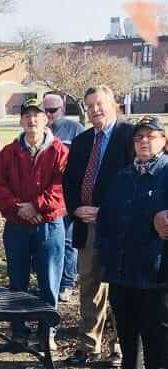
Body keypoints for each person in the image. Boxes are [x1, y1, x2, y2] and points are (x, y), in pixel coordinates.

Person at [64, 85, 134, 367]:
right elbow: (69, 181)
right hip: (87, 225)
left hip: (120, 228)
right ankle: (88, 346)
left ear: (114, 104)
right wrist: (76, 208)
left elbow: (134, 182)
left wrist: (105, 212)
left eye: (100, 103)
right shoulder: (82, 141)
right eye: (90, 105)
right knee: (90, 287)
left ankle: (118, 346)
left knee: (118, 287)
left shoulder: (129, 137)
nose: (95, 109)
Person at [0, 98, 68, 350]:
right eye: (27, 116)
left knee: (49, 282)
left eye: (37, 115)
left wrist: (36, 206)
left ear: (46, 119)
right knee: (17, 282)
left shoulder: (60, 151)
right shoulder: (9, 152)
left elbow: (61, 186)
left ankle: (47, 333)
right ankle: (19, 330)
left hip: (49, 226)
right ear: (21, 120)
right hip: (17, 226)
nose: (32, 120)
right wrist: (18, 209)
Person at [99, 116, 168, 369]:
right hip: (121, 274)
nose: (144, 141)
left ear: (163, 141)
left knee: (157, 342)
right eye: (139, 137)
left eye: (151, 136)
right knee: (128, 341)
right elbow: (106, 217)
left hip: (156, 277)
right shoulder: (124, 175)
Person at [43, 92, 85, 302]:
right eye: (46, 110)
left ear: (63, 109)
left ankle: (66, 282)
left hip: (67, 194)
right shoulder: (39, 130)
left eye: (53, 110)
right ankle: (49, 279)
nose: (49, 115)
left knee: (67, 240)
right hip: (44, 196)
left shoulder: (74, 130)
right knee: (49, 240)